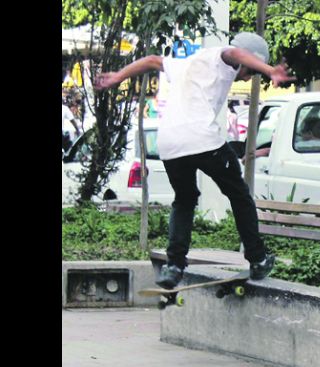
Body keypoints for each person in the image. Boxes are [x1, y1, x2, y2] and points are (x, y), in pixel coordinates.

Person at [94, 33, 295, 289]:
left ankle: (174, 266)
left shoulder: (188, 61)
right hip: (201, 139)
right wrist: (269, 70)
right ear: (250, 60)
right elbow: (234, 53)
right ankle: (257, 259)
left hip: (170, 143)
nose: (248, 77)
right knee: (239, 194)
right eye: (252, 72)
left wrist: (117, 77)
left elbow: (154, 60)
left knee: (185, 198)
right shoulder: (225, 57)